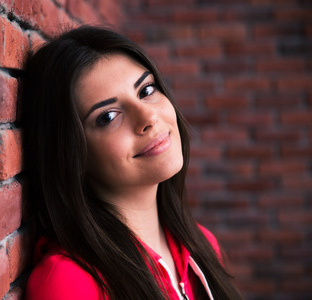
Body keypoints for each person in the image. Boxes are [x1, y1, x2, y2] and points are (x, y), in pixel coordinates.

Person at [20, 26, 243, 300]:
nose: (148, 117)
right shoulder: (69, 281)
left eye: (146, 90)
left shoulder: (202, 245)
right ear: (71, 154)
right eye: (108, 117)